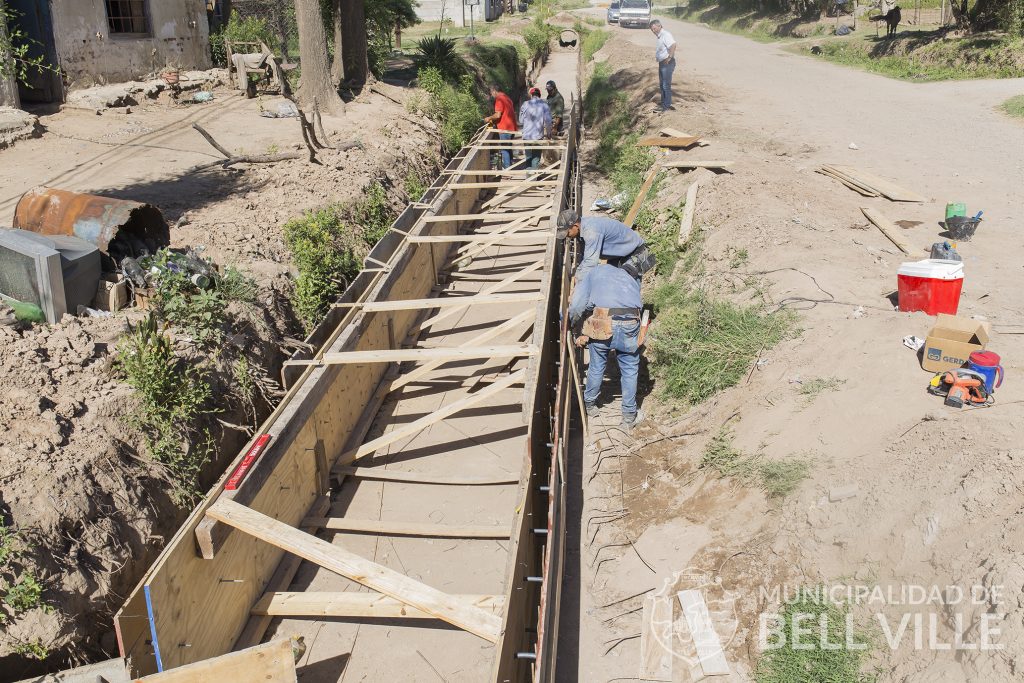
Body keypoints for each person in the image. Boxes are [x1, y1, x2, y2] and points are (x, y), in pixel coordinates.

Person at [569, 264, 644, 429]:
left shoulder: (595, 272)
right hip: (630, 322)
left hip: (603, 321)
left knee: (597, 365)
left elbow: (577, 305)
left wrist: (571, 323)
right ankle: (629, 417)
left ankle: (590, 405)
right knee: (630, 369)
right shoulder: (632, 281)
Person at [555, 210, 654, 284]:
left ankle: (634, 309)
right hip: (618, 255)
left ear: (575, 225)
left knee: (624, 286)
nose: (567, 236)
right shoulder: (582, 230)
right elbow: (585, 258)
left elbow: (590, 262)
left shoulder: (591, 232)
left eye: (567, 232)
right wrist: (578, 274)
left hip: (635, 253)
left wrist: (578, 283)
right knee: (608, 284)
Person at [483, 85, 518, 169]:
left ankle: (507, 171)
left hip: (505, 128)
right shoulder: (507, 98)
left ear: (494, 91)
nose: (492, 95)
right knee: (508, 147)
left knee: (504, 149)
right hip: (512, 128)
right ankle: (509, 166)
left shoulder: (499, 99)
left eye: (491, 93)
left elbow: (498, 115)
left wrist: (489, 118)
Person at [518, 87, 552, 170]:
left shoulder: (525, 104)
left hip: (526, 136)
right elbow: (548, 121)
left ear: (531, 95)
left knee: (528, 157)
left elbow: (521, 121)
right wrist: (548, 133)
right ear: (539, 95)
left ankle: (528, 178)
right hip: (538, 136)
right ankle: (533, 180)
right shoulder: (544, 105)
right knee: (536, 158)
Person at [649, 19, 677, 112]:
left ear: (659, 26)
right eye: (652, 29)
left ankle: (666, 106)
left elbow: (673, 44)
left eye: (654, 28)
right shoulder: (659, 36)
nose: (653, 31)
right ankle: (663, 104)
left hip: (667, 63)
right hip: (662, 63)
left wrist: (670, 57)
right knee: (662, 85)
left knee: (666, 85)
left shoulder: (665, 35)